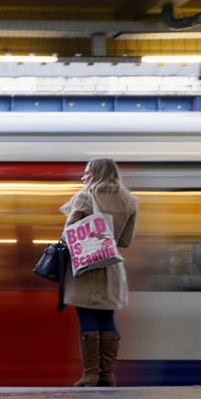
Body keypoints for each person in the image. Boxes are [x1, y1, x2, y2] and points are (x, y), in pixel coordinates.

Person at [59, 159, 138, 387]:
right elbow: (125, 241)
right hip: (112, 267)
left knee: (88, 318)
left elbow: (68, 233)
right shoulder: (129, 201)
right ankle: (107, 375)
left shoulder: (86, 196)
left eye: (87, 172)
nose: (84, 176)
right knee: (106, 318)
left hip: (86, 265)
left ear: (95, 173)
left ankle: (90, 374)